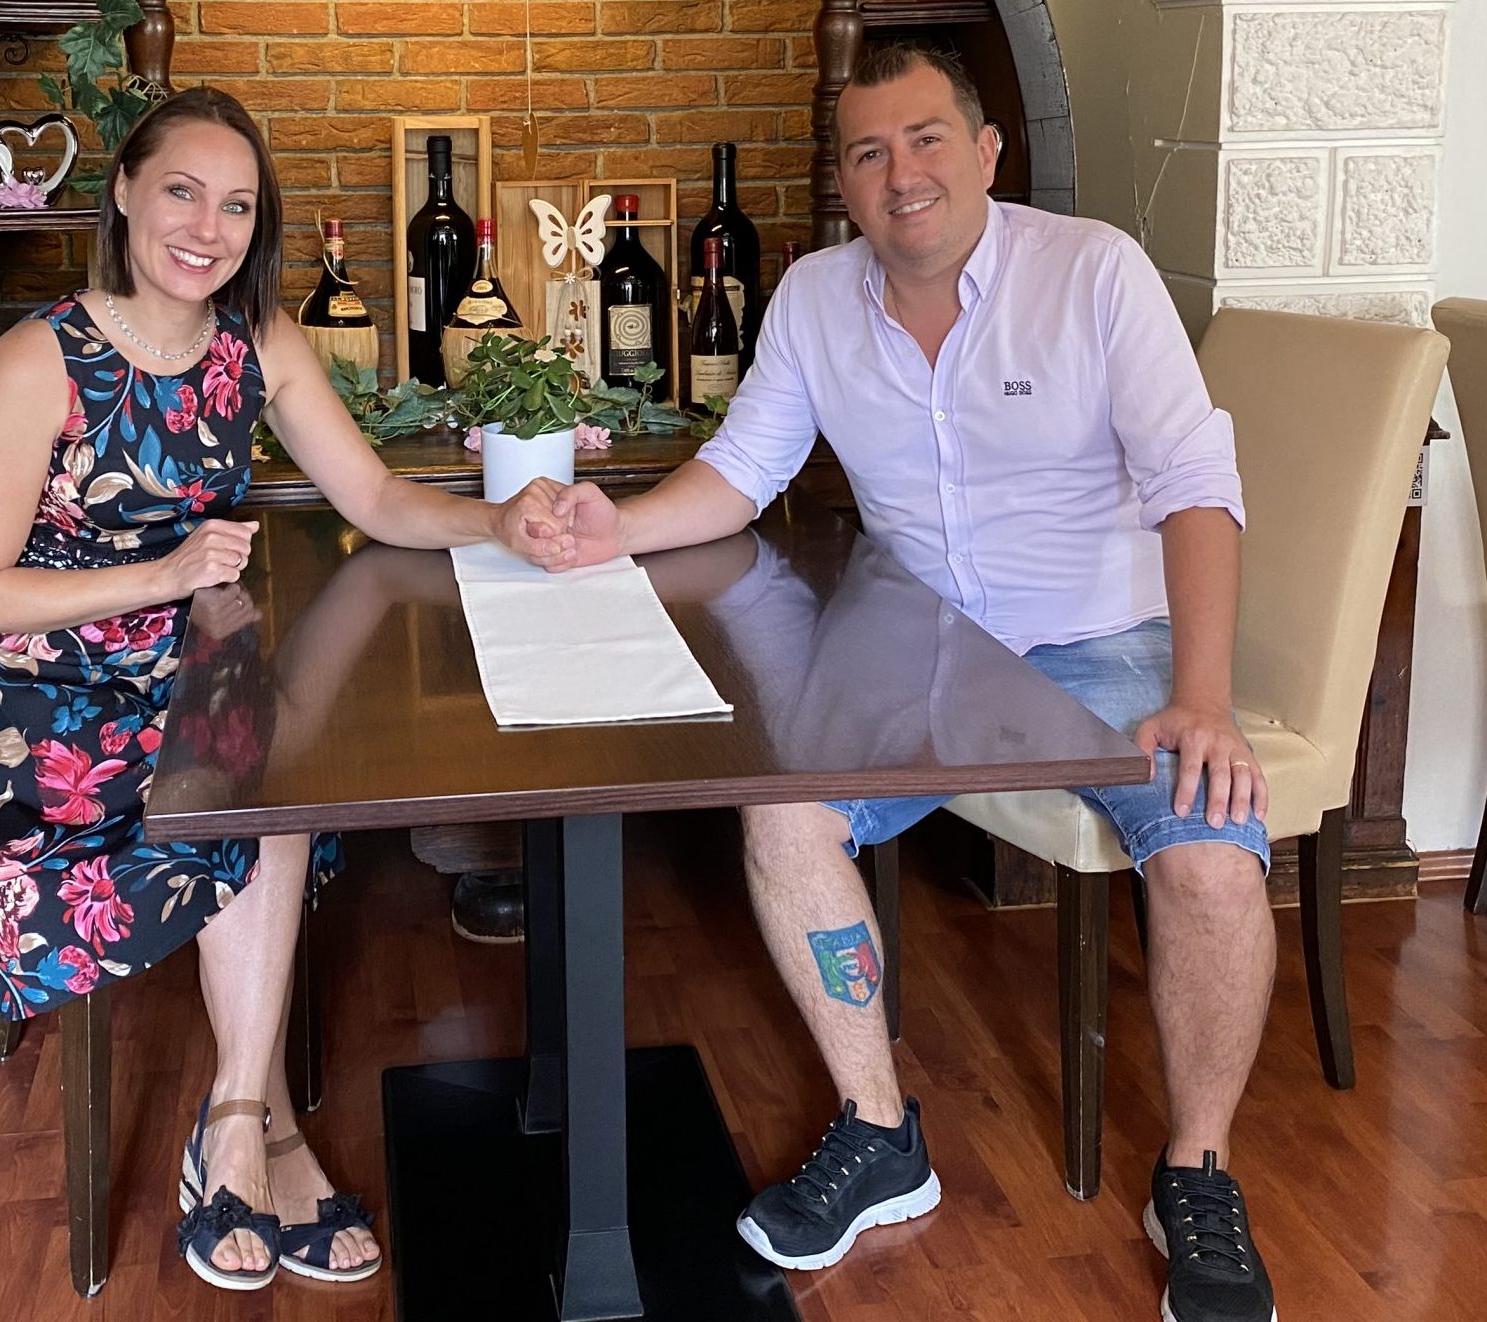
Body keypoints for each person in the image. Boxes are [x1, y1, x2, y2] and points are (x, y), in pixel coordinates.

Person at [528, 43, 1279, 1322]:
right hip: (919, 644)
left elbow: (1196, 485)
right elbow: (744, 467)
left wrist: (1203, 695)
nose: (900, 173)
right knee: (781, 813)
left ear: (986, 152)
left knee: (1211, 856)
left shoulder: (1093, 271)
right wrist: (620, 527)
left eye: (926, 138)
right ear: (845, 180)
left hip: (1107, 639)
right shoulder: (816, 297)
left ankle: (1197, 1170)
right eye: (868, 152)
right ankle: (880, 1130)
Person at [0, 87, 569, 1293]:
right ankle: (266, 1134)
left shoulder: (252, 344)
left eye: (238, 206)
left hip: (186, 680)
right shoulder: (38, 358)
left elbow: (374, 497)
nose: (207, 229)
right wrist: (161, 574)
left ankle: (237, 1120)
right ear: (123, 191)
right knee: (252, 788)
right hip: (37, 725)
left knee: (273, 779)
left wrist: (498, 520)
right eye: (181, 191)